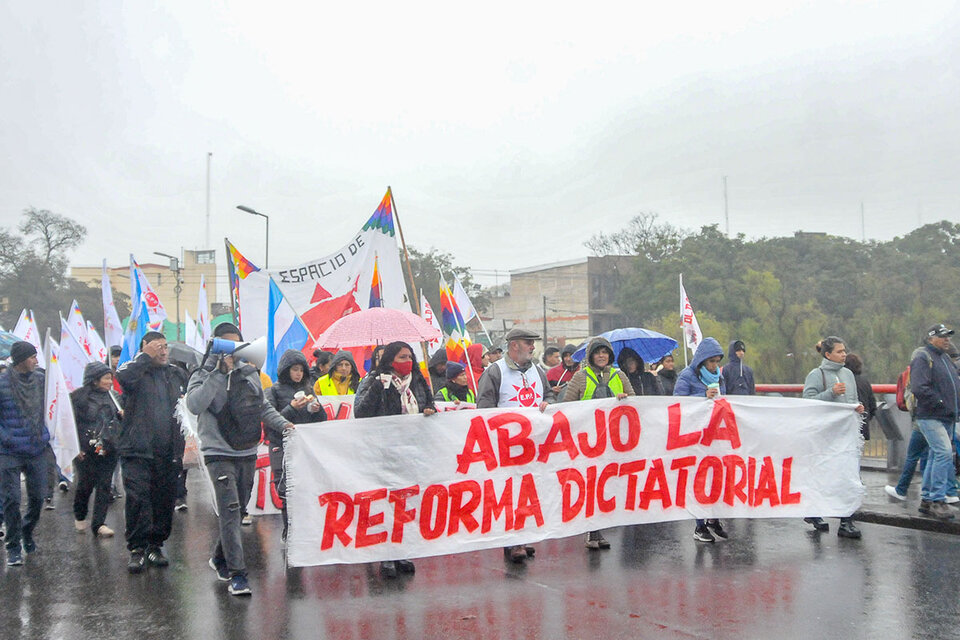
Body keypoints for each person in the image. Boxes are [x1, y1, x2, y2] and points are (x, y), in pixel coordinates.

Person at [186, 324, 292, 596]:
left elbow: (262, 406)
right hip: (218, 452)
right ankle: (238, 574)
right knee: (231, 509)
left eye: (237, 345)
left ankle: (220, 558)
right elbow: (195, 404)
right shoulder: (202, 373)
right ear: (216, 346)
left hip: (246, 450)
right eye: (227, 345)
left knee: (240, 508)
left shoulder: (249, 372)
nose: (234, 351)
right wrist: (219, 373)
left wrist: (284, 425)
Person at [354, 341, 437, 578]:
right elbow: (360, 413)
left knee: (404, 502)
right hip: (382, 452)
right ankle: (385, 554)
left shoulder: (418, 380)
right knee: (384, 502)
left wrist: (429, 410)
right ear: (390, 360)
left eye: (410, 356)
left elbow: (428, 403)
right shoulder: (373, 381)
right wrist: (379, 388)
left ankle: (400, 550)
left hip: (410, 451)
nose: (408, 361)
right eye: (402, 357)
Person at [477, 327, 556, 562]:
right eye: (528, 342)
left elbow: (550, 396)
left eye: (533, 343)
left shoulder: (538, 372)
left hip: (533, 446)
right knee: (509, 494)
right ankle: (512, 542)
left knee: (528, 492)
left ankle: (523, 536)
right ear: (514, 346)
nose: (533, 347)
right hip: (506, 446)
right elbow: (484, 409)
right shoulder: (495, 372)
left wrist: (547, 403)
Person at [115, 331, 189, 574]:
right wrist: (145, 357)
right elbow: (123, 378)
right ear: (145, 347)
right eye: (158, 347)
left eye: (166, 347)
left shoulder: (175, 374)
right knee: (138, 497)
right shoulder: (134, 370)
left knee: (163, 499)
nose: (163, 351)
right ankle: (137, 549)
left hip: (167, 451)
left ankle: (155, 544)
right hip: (137, 449)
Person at [562, 337, 634, 549]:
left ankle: (599, 528)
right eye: (597, 352)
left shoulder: (619, 376)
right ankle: (592, 532)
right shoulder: (580, 377)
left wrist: (625, 399)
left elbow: (635, 401)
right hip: (588, 442)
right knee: (591, 485)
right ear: (591, 356)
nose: (601, 355)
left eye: (605, 352)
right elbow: (567, 406)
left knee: (607, 485)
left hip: (613, 441)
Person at [802, 335, 866, 535]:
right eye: (839, 351)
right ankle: (813, 511)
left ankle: (847, 522)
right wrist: (831, 392)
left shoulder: (848, 374)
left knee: (848, 476)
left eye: (844, 351)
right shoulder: (816, 374)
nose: (844, 354)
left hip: (845, 434)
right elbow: (808, 401)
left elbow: (852, 399)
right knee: (823, 475)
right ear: (828, 354)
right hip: (825, 436)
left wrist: (857, 408)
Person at [265, 349, 327, 541]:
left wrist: (317, 410)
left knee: (306, 486)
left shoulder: (309, 390)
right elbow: (271, 420)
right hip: (281, 444)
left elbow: (322, 419)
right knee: (285, 487)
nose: (298, 373)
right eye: (294, 369)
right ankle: (288, 528)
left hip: (304, 445)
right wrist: (292, 408)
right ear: (286, 370)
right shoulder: (273, 391)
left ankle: (306, 528)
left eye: (301, 369)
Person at [674, 338, 730, 543]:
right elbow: (678, 403)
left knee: (717, 478)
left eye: (717, 361)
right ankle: (699, 526)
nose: (715, 365)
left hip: (715, 434)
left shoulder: (719, 377)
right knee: (698, 480)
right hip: (695, 437)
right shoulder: (687, 376)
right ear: (702, 361)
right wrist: (702, 396)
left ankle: (713, 519)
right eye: (711, 362)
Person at [0, 342, 48, 567]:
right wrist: (5, 437)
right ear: (20, 360)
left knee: (38, 498)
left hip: (36, 448)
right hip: (8, 450)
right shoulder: (2, 384)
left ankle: (26, 531)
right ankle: (13, 546)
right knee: (11, 499)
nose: (36, 361)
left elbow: (56, 404)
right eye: (32, 357)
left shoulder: (41, 380)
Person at [906, 325, 960, 520]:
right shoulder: (923, 357)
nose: (947, 340)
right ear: (930, 339)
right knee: (944, 454)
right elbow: (920, 387)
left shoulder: (944, 358)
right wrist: (941, 403)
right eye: (942, 336)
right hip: (931, 415)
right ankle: (938, 500)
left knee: (936, 454)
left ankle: (928, 499)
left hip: (946, 415)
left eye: (948, 336)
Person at [70, 361, 120, 538]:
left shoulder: (113, 397)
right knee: (85, 485)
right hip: (86, 451)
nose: (109, 382)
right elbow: (70, 424)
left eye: (110, 378)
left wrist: (122, 416)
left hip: (109, 449)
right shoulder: (78, 398)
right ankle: (80, 514)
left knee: (105, 485)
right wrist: (75, 447)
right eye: (106, 378)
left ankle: (99, 523)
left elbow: (117, 420)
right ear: (94, 380)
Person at [845, 353, 876, 440]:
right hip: (862, 425)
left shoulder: (841, 381)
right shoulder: (865, 382)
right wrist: (865, 418)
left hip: (846, 426)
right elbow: (872, 406)